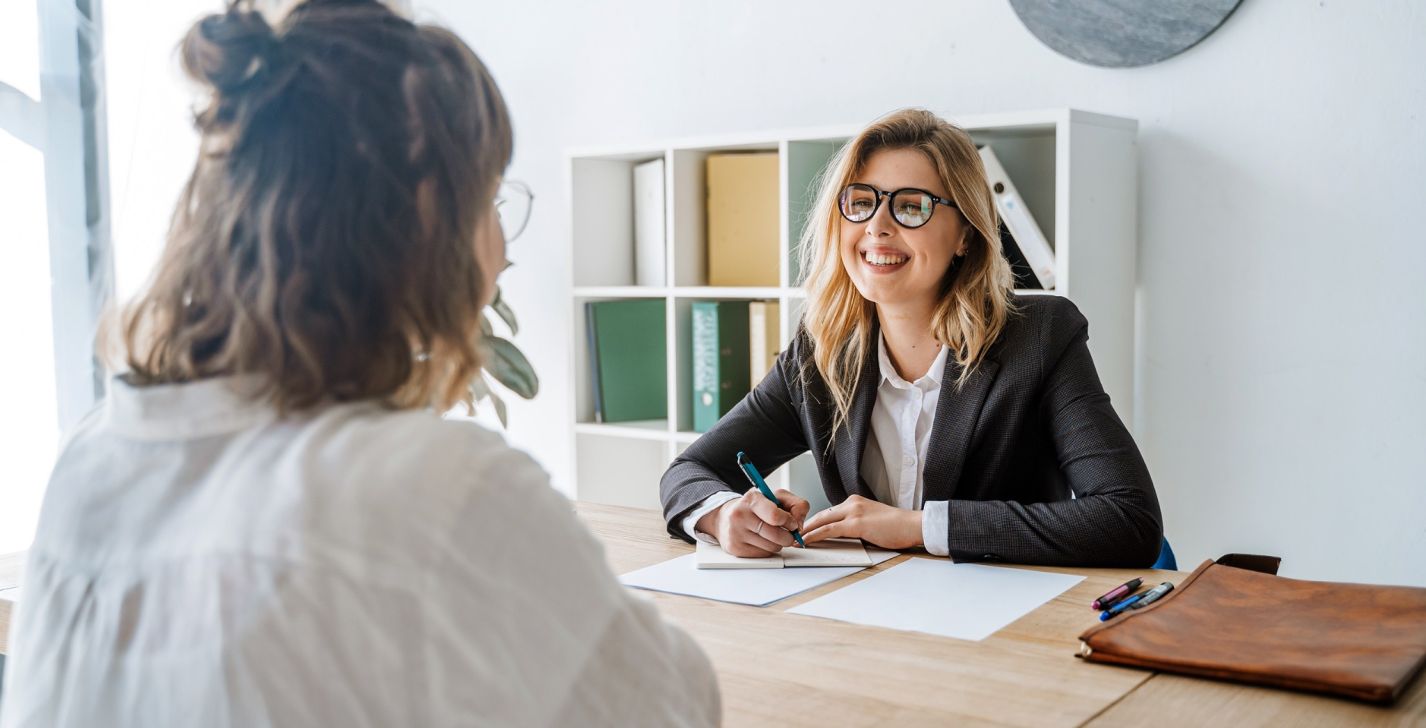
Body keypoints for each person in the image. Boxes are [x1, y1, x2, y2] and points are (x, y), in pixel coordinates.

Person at [0, 2, 719, 726]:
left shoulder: (92, 456)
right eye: (489, 198)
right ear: (427, 213)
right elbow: (675, 708)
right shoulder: (439, 489)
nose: (503, 246)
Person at [660, 108, 1162, 567]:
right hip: (872, 617)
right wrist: (724, 515)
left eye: (912, 206)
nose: (877, 227)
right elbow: (690, 470)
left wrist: (918, 528)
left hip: (1004, 626)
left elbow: (1127, 519)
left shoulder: (1040, 338)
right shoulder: (820, 352)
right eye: (860, 202)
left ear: (966, 233)